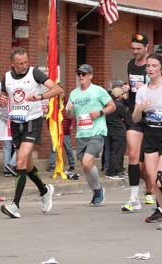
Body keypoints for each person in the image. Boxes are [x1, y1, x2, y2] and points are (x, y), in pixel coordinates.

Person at [0, 47, 62, 218]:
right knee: (27, 165)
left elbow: (57, 89)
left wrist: (40, 97)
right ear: (13, 64)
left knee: (20, 162)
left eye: (26, 62)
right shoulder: (7, 78)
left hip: (33, 121)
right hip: (16, 122)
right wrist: (2, 100)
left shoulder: (35, 74)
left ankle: (15, 205)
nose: (24, 66)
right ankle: (45, 190)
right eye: (20, 64)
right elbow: (3, 98)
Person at [133, 53, 162, 230]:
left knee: (161, 179)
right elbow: (134, 119)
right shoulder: (142, 91)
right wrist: (141, 108)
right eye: (148, 66)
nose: (150, 69)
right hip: (150, 134)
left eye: (154, 66)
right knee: (152, 182)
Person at [66, 64, 116, 207]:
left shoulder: (98, 90)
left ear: (90, 76)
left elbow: (112, 106)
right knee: (86, 166)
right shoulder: (74, 94)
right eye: (79, 74)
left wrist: (100, 113)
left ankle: (98, 190)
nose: (80, 76)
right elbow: (70, 115)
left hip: (97, 132)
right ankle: (97, 190)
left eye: (84, 74)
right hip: (82, 133)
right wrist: (69, 111)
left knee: (88, 162)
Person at [121, 33, 154, 213]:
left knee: (148, 162)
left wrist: (147, 88)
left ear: (146, 48)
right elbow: (130, 87)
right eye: (133, 48)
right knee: (133, 154)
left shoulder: (152, 65)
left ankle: (151, 191)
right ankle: (134, 198)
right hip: (134, 114)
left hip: (152, 116)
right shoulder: (129, 64)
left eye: (138, 49)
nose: (135, 52)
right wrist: (127, 89)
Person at [105, 81, 128, 179]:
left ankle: (116, 170)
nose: (123, 96)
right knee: (118, 152)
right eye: (122, 94)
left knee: (112, 151)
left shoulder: (108, 104)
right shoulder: (119, 105)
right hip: (118, 130)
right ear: (119, 95)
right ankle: (113, 172)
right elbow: (126, 117)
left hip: (109, 130)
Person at [48, 94, 76, 172]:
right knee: (54, 149)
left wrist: (72, 125)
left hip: (65, 131)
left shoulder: (68, 104)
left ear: (64, 94)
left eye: (62, 93)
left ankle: (72, 165)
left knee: (68, 149)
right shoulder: (54, 104)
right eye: (59, 93)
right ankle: (52, 166)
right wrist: (50, 128)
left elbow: (73, 116)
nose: (60, 94)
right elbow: (50, 116)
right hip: (56, 131)